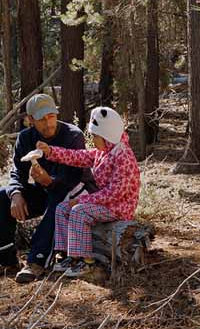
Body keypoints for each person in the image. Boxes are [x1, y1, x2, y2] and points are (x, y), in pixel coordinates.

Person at [0, 94, 89, 284]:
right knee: (1, 197)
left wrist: (50, 181)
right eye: (41, 119)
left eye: (51, 116)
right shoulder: (26, 137)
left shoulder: (73, 135)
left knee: (57, 200)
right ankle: (6, 260)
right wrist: (16, 193)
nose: (48, 123)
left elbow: (73, 179)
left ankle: (37, 260)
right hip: (45, 192)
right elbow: (16, 172)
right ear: (30, 120)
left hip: (74, 195)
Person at [36, 106, 140, 278]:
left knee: (78, 211)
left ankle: (86, 261)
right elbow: (78, 157)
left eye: (95, 136)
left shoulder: (123, 157)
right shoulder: (103, 152)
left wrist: (83, 201)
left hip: (119, 207)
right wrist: (51, 151)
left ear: (107, 136)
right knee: (62, 209)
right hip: (105, 202)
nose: (92, 139)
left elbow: (116, 193)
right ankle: (67, 254)